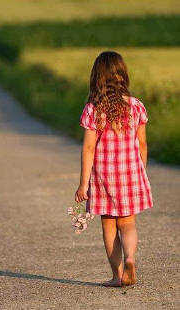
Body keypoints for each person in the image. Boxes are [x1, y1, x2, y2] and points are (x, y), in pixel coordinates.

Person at [74, 51, 153, 287]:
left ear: (96, 77)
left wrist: (83, 184)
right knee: (128, 223)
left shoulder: (93, 109)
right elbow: (142, 144)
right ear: (123, 75)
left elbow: (88, 149)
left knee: (109, 225)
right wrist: (141, 172)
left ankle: (117, 275)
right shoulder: (136, 106)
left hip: (103, 177)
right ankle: (130, 258)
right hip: (130, 173)